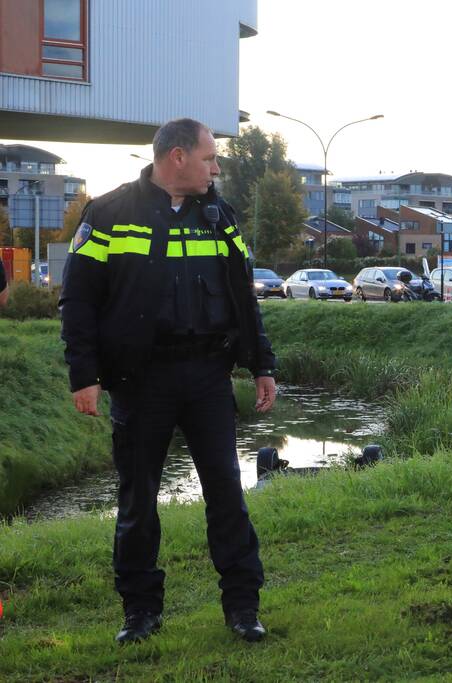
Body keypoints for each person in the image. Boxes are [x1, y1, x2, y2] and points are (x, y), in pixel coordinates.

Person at [59, 118, 276, 644]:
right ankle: (140, 612)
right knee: (138, 502)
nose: (216, 167)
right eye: (209, 157)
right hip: (140, 381)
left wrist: (261, 364)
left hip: (207, 377)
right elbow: (79, 300)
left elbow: (243, 297)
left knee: (227, 492)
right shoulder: (109, 214)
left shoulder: (219, 215)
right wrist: (83, 375)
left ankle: (242, 609)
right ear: (176, 157)